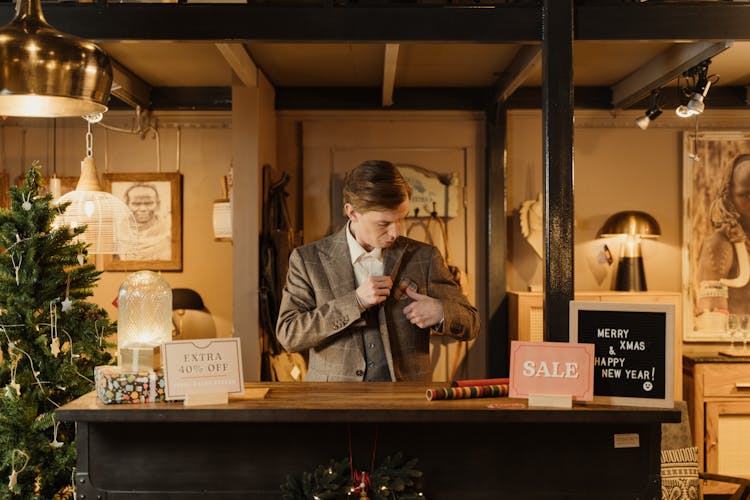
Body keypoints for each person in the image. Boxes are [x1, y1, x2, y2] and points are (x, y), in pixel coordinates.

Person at [276, 160, 480, 382]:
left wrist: (441, 311)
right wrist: (355, 302)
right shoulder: (308, 260)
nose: (395, 232)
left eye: (401, 218)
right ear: (352, 212)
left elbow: (472, 323)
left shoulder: (425, 257)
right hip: (332, 403)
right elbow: (289, 334)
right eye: (384, 223)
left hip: (406, 403)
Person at [695, 154, 750, 331]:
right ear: (729, 198)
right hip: (735, 350)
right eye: (747, 195)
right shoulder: (720, 244)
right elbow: (711, 323)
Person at [120, 183, 171, 261]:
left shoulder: (168, 233)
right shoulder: (118, 233)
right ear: (126, 205)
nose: (143, 208)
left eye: (149, 203)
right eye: (136, 204)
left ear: (158, 205)